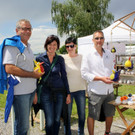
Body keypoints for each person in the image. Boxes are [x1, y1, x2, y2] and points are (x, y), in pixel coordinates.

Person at [2, 19, 44, 135]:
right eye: (24, 28)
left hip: (30, 91)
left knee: (25, 126)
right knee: (22, 126)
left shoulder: (28, 46)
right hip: (20, 93)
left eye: (29, 28)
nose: (27, 31)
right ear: (17, 30)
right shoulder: (12, 45)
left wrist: (35, 90)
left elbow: (30, 68)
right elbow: (9, 68)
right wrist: (33, 74)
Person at [34, 35, 71, 135]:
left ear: (57, 46)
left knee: (57, 120)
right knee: (49, 121)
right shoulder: (39, 58)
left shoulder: (60, 59)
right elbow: (35, 77)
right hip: (45, 92)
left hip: (59, 92)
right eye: (50, 44)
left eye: (54, 44)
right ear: (46, 45)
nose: (52, 46)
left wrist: (68, 93)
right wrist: (35, 93)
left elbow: (64, 76)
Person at [81, 30, 115, 135]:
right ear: (93, 40)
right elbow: (84, 73)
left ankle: (107, 133)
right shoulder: (88, 55)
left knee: (110, 114)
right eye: (97, 38)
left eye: (101, 38)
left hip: (109, 90)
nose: (99, 40)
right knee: (92, 115)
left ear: (104, 40)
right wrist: (101, 78)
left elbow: (112, 69)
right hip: (95, 91)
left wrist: (114, 77)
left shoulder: (109, 53)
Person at [62, 37, 86, 135]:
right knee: (67, 116)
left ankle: (81, 133)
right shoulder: (62, 58)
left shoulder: (82, 57)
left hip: (80, 90)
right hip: (68, 92)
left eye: (71, 46)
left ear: (75, 46)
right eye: (67, 46)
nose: (69, 48)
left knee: (82, 115)